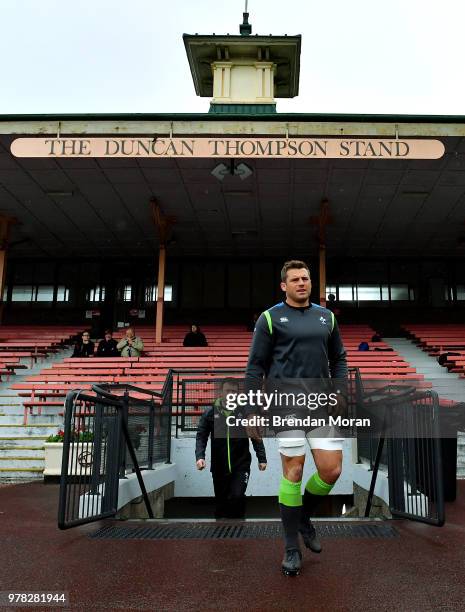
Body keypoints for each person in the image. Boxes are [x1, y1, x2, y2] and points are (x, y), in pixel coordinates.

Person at [245, 260, 348, 576]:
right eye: (295, 279)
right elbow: (255, 367)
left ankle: (303, 517)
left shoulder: (326, 317)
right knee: (295, 469)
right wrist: (251, 410)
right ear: (284, 286)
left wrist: (340, 392)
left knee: (332, 471)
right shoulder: (270, 318)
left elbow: (339, 358)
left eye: (306, 278)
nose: (302, 283)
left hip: (320, 403)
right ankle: (291, 549)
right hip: (285, 403)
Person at [195, 378, 267, 519]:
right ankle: (221, 532)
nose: (231, 394)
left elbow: (255, 435)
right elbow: (201, 436)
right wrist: (200, 456)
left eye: (234, 391)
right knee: (221, 501)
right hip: (219, 467)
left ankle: (239, 527)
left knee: (237, 496)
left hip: (241, 466)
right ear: (221, 392)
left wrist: (262, 458)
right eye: (228, 391)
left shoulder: (245, 412)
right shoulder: (210, 412)